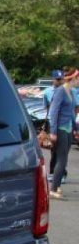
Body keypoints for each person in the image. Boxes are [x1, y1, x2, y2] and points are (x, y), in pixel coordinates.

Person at [48, 67, 78, 199]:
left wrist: (75, 128)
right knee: (62, 159)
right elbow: (53, 112)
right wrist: (53, 132)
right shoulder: (60, 91)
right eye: (78, 78)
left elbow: (71, 112)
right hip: (60, 129)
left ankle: (58, 185)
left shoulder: (71, 91)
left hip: (68, 128)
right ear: (73, 79)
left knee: (64, 159)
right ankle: (53, 189)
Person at [43, 69, 64, 178]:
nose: (60, 81)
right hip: (52, 124)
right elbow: (46, 106)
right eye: (58, 79)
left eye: (61, 79)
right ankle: (53, 172)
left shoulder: (67, 91)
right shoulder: (47, 92)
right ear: (53, 79)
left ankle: (62, 173)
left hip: (64, 125)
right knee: (53, 149)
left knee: (62, 150)